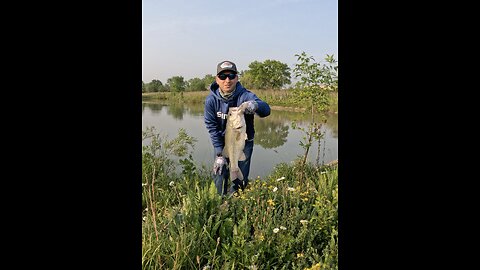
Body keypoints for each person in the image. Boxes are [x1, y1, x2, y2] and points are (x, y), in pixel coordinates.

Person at [204, 60, 271, 196]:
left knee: (241, 177)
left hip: (243, 142)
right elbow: (212, 127)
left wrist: (255, 106)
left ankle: (237, 199)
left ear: (237, 78)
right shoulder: (211, 100)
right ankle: (220, 200)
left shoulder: (245, 95)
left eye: (231, 76)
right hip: (223, 142)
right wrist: (219, 154)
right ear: (217, 79)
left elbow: (266, 110)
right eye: (223, 76)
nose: (227, 80)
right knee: (219, 173)